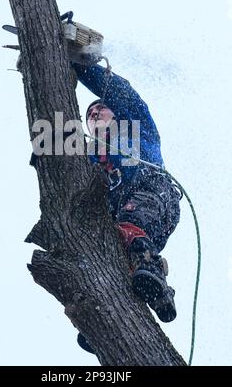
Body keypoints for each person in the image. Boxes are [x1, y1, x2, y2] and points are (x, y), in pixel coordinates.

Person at [72, 62, 182, 353]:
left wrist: (79, 65)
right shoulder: (89, 158)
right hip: (128, 223)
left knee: (127, 223)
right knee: (105, 250)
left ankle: (148, 265)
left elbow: (122, 93)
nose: (95, 113)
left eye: (101, 109)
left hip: (153, 195)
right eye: (90, 114)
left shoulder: (135, 126)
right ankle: (111, 306)